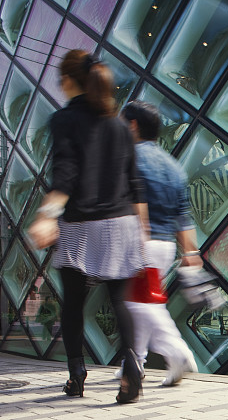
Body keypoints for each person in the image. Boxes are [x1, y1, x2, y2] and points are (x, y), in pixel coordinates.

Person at [28, 50, 146, 404]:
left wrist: (47, 215)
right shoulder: (120, 125)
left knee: (74, 302)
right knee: (119, 298)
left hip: (81, 225)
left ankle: (76, 374)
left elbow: (65, 174)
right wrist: (143, 231)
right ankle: (132, 368)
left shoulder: (65, 120)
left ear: (68, 80)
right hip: (123, 223)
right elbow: (135, 183)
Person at [119, 100, 202, 386]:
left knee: (140, 305)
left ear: (133, 125)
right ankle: (135, 362)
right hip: (166, 246)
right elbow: (183, 216)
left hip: (140, 242)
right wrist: (191, 252)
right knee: (143, 301)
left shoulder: (129, 159)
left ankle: (177, 352)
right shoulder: (174, 167)